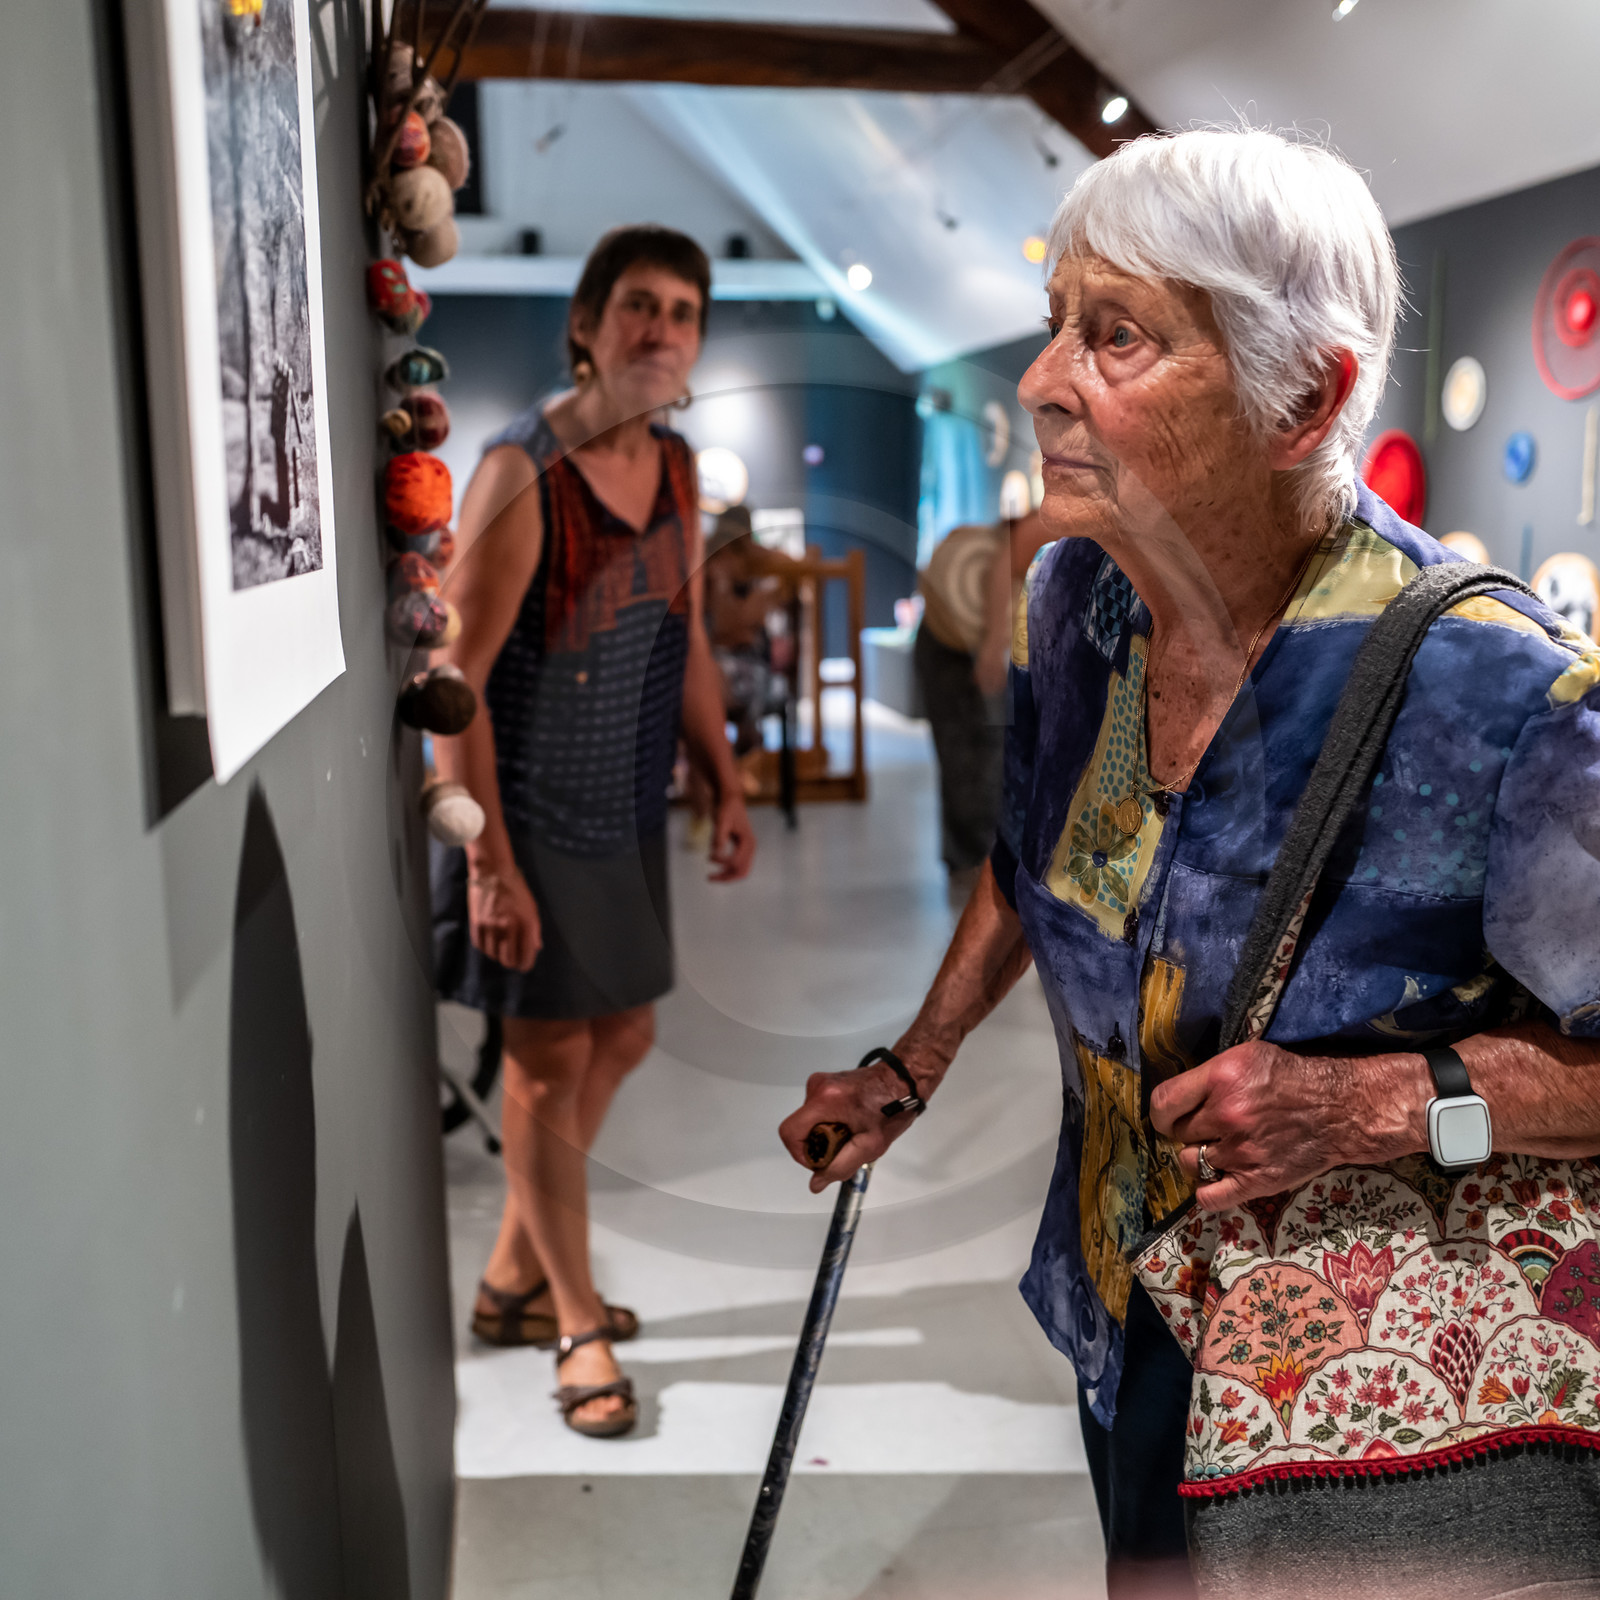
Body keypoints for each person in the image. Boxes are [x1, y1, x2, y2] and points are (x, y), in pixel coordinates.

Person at [779, 128, 1600, 1597]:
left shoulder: (1497, 696)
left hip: (1370, 1394)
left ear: (1310, 397)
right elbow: (1032, 858)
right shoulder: (1076, 595)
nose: (1042, 385)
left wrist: (1381, 1103)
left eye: (1119, 338)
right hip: (1126, 1307)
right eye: (1056, 327)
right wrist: (912, 1063)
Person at [433, 225, 756, 1438]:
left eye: (682, 312)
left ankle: (516, 1273)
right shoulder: (521, 470)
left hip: (624, 809)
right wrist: (486, 861)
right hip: (522, 811)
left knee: (621, 1031)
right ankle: (571, 1321)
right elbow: (451, 679)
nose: (659, 329)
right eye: (636, 305)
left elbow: (689, 645)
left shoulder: (675, 471)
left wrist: (724, 778)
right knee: (544, 1065)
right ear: (586, 323)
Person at [915, 511, 1046, 896]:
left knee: (978, 754)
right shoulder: (1059, 520)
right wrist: (991, 647)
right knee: (975, 755)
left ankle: (973, 863)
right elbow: (1004, 562)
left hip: (959, 644)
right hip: (960, 648)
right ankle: (978, 867)